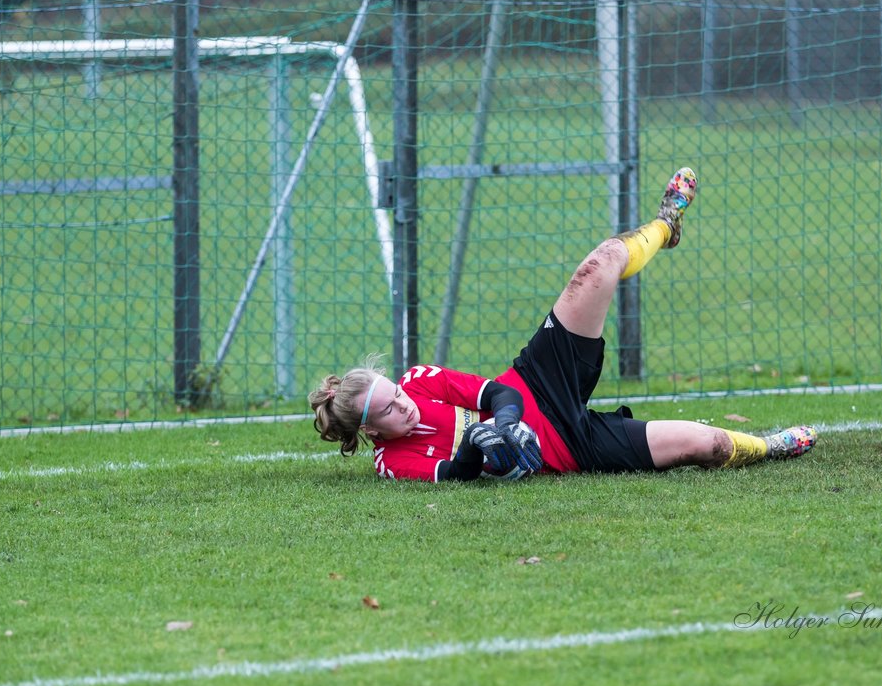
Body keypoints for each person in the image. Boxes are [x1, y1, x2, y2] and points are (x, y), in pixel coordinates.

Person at [309, 167, 816, 482]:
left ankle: (665, 224)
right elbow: (458, 476)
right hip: (575, 448)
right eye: (390, 409)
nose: (402, 401)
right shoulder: (391, 463)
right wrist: (477, 448)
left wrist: (505, 424)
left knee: (598, 265)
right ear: (372, 429)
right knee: (707, 446)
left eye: (393, 390)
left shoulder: (419, 381)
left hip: (537, 379)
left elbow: (498, 397)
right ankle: (772, 446)